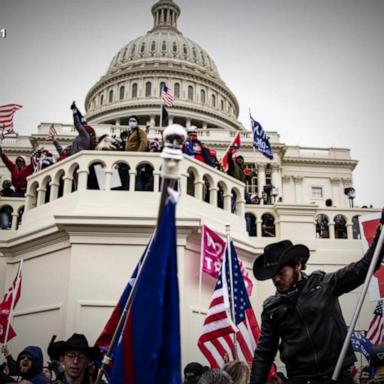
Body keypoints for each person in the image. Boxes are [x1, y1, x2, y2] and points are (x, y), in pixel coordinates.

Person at [250, 224, 384, 384]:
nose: (277, 280)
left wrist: (381, 230)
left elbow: (364, 268)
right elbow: (264, 354)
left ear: (297, 266)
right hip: (300, 379)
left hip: (338, 375)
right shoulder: (271, 308)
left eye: (281, 273)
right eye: (273, 275)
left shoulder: (326, 284)